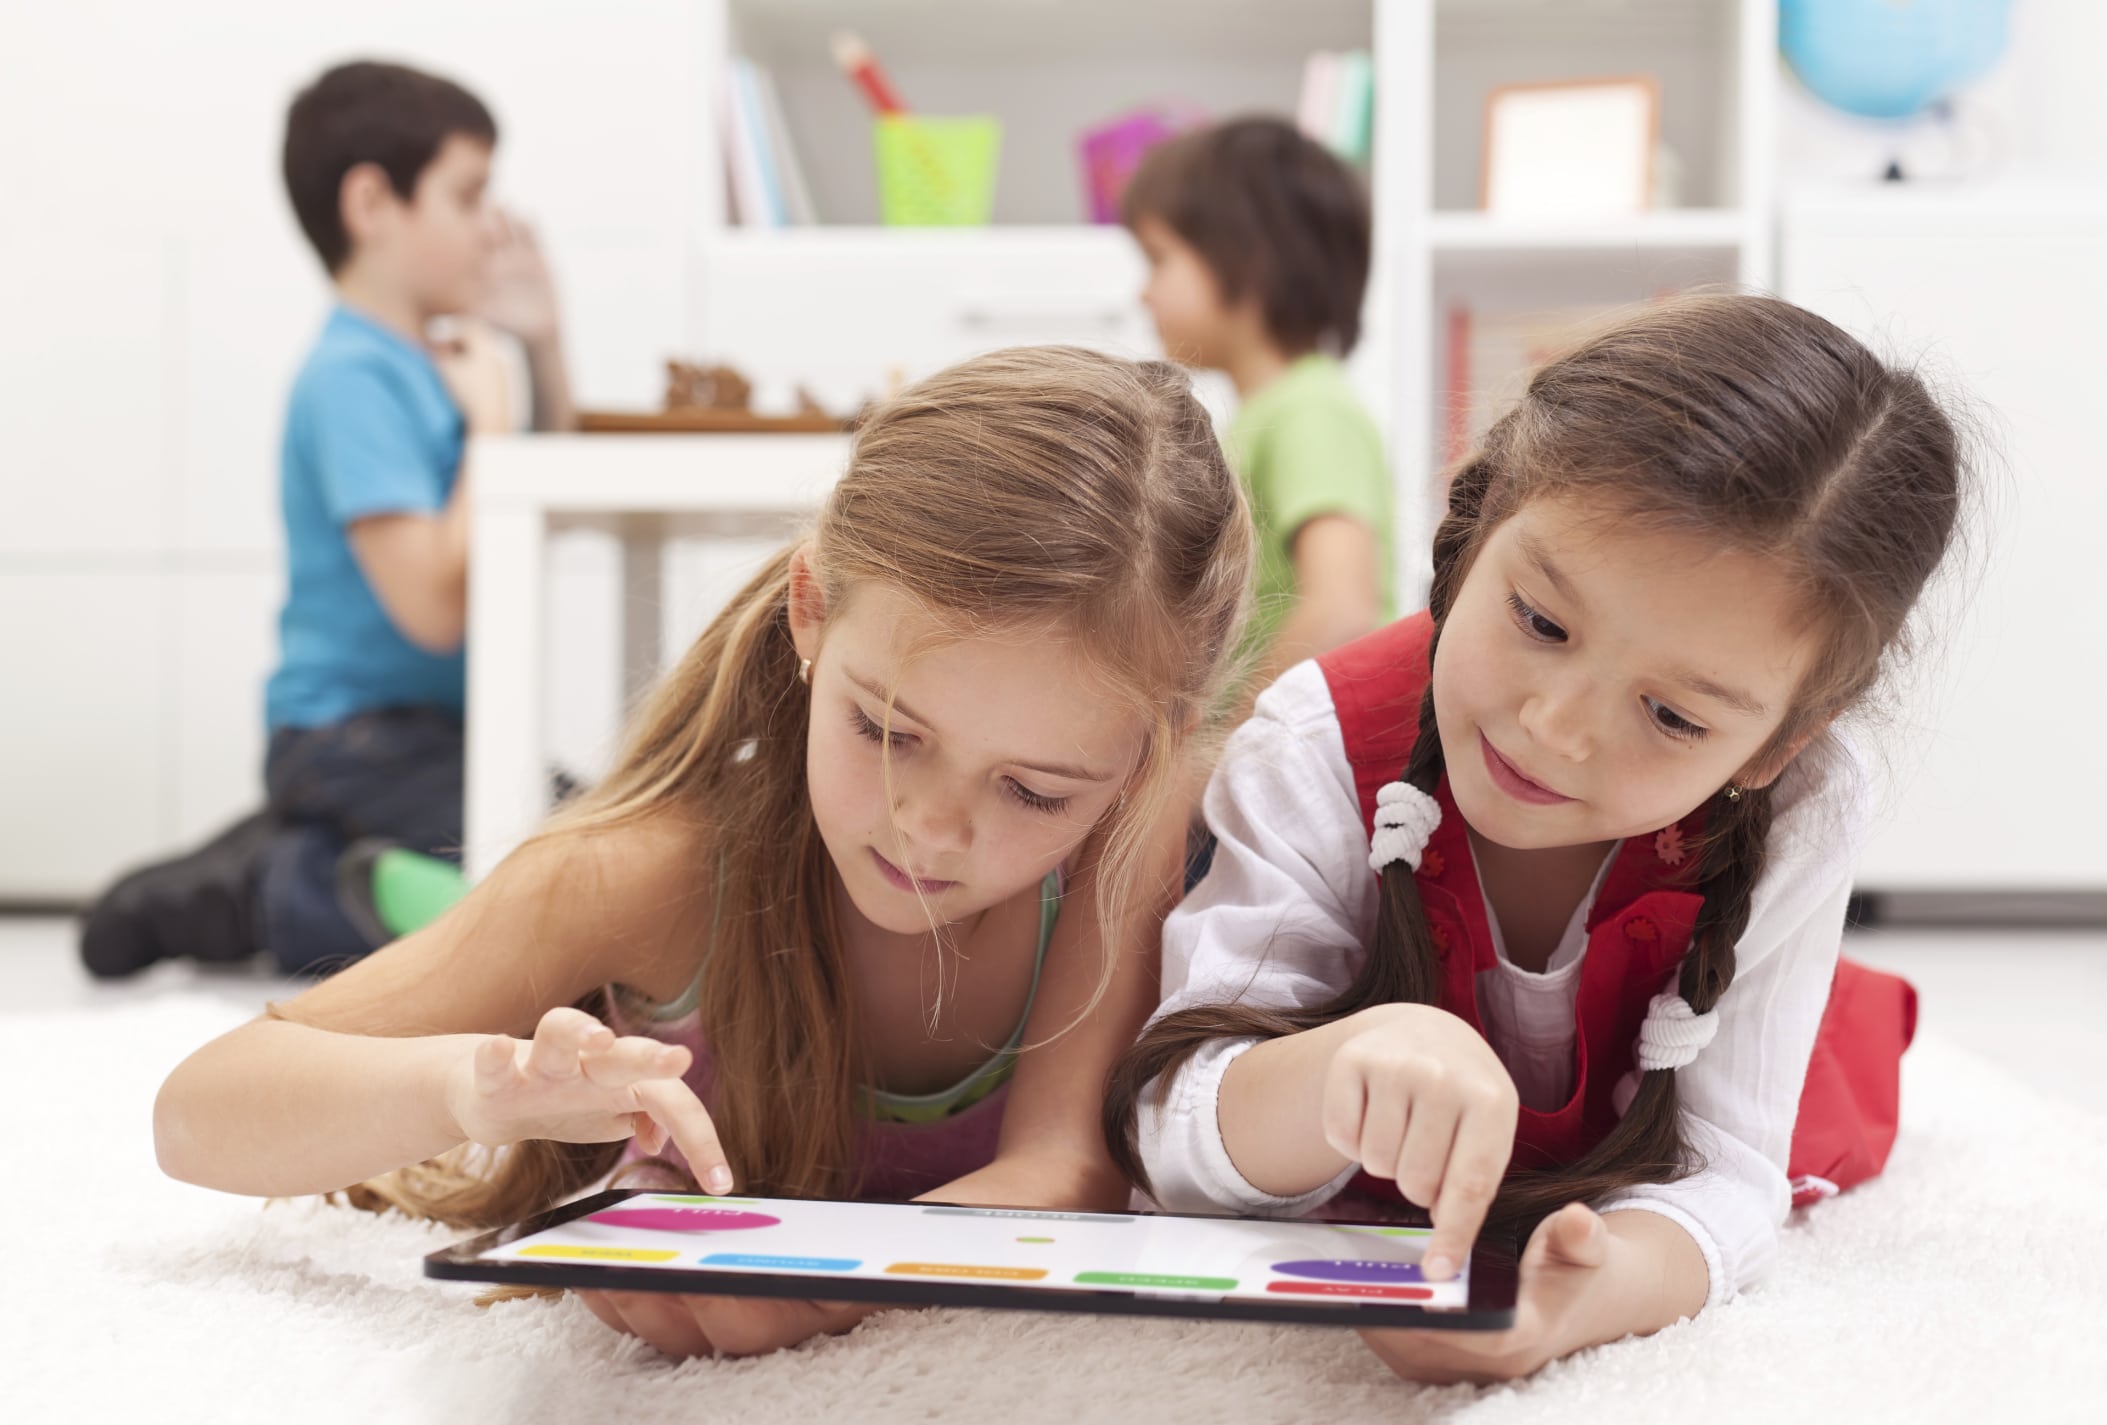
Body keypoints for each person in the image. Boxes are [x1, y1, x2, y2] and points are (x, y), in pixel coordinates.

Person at [154, 346, 1252, 1360]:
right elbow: (199, 1111)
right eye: (886, 731)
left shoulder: (1133, 837)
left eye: (1030, 790)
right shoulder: (644, 874)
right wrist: (469, 1090)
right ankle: (290, 875)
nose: (927, 827)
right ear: (810, 611)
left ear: (1146, 752)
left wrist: (819, 1282)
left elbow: (1066, 1173)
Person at [1105, 294, 1964, 1382]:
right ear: (1482, 524)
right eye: (1542, 623)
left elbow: (1727, 1174)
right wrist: (1336, 1075)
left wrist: (1572, 1303)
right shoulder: (1313, 744)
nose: (1554, 730)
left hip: (1697, 1056)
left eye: (1673, 717)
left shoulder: (1809, 799)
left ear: (1775, 745)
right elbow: (1170, 1132)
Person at [80, 59, 575, 980]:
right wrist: (489, 426)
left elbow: (532, 503)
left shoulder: (435, 366)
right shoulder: (354, 376)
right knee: (558, 900)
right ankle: (279, 880)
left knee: (601, 854)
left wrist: (540, 344)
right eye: (467, 198)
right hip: (357, 738)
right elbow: (431, 605)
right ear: (371, 204)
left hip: (429, 733)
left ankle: (309, 847)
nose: (487, 230)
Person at [1125, 116, 1393, 706]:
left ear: (1248, 260)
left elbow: (1342, 606)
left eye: (1159, 260)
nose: (1143, 291)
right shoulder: (1266, 414)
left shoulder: (1311, 412)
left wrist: (1225, 753)